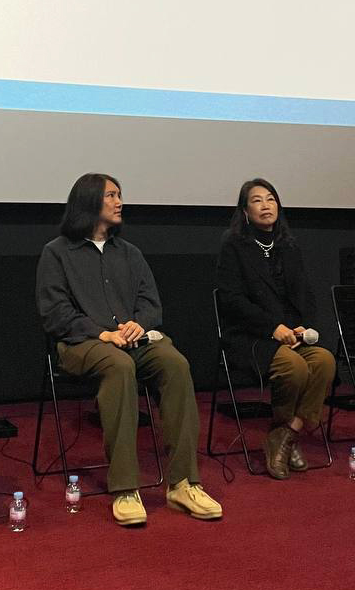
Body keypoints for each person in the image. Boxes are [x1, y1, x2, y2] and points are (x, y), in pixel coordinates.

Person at [36, 172, 222, 526]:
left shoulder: (129, 253)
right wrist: (100, 334)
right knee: (119, 366)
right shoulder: (56, 253)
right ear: (89, 201)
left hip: (132, 341)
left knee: (174, 363)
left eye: (119, 194)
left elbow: (151, 305)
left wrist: (139, 323)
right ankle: (124, 487)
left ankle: (184, 483)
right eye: (111, 195)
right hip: (80, 344)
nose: (119, 202)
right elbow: (55, 314)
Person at [216, 178, 337, 480]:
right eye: (257, 200)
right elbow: (231, 300)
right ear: (245, 211)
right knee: (294, 368)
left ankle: (285, 434)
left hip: (292, 335)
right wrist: (273, 328)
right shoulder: (234, 246)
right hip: (252, 337)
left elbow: (306, 294)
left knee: (324, 361)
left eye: (271, 199)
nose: (266, 205)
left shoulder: (288, 245)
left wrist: (303, 326)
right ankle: (286, 438)